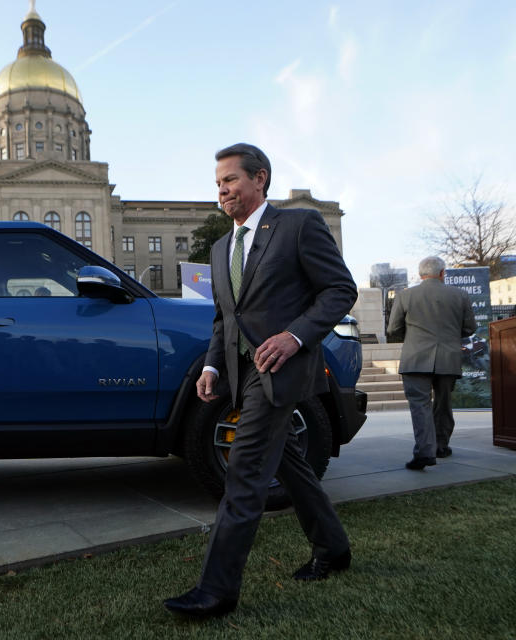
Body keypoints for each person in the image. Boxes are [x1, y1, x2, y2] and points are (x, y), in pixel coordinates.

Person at [163, 143, 358, 619]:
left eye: (229, 180)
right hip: (238, 371)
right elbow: (222, 320)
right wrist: (211, 368)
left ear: (260, 179)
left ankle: (216, 590)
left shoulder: (298, 225)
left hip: (283, 370)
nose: (222, 191)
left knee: (245, 472)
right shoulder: (220, 247)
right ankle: (333, 549)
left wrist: (295, 337)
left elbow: (340, 290)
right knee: (289, 464)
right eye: (217, 184)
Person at [386, 256, 475, 469]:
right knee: (443, 403)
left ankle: (425, 451)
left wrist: (410, 338)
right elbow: (469, 328)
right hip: (448, 357)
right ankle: (441, 446)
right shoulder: (460, 295)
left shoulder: (405, 295)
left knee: (420, 405)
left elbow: (392, 330)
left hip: (415, 358)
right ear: (443, 273)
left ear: (420, 275)